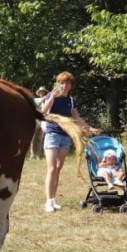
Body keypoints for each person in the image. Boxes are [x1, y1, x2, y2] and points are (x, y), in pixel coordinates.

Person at [40, 71, 92, 212]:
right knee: (51, 168)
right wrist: (51, 98)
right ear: (58, 83)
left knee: (58, 168)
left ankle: (53, 199)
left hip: (65, 136)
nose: (64, 85)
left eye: (67, 83)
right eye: (62, 82)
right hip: (52, 134)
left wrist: (89, 128)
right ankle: (48, 202)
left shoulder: (71, 100)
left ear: (71, 85)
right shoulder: (50, 96)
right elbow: (43, 113)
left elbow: (77, 118)